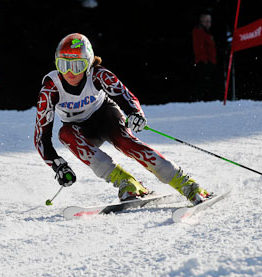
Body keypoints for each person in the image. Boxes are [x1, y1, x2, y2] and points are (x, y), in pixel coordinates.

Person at [34, 33, 210, 205]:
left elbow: (125, 96)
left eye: (78, 65)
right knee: (65, 133)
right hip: (81, 131)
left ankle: (187, 184)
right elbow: (41, 137)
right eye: (64, 65)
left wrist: (135, 114)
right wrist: (58, 165)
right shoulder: (51, 89)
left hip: (106, 117)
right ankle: (128, 183)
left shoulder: (98, 75)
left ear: (88, 64)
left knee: (125, 142)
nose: (70, 72)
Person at [192, 13, 217, 100]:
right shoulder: (199, 31)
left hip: (210, 61)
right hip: (203, 62)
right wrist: (204, 62)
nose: (208, 23)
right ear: (201, 22)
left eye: (209, 21)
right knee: (204, 84)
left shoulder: (207, 32)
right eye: (206, 21)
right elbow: (199, 47)